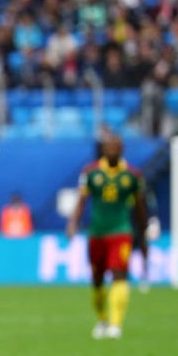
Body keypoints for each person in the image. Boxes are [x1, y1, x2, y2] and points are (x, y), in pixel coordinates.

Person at [66, 134, 146, 340]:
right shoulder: (90, 172)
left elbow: (140, 207)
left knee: (119, 274)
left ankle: (116, 324)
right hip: (97, 232)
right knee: (97, 280)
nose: (112, 149)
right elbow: (82, 200)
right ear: (103, 149)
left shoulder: (133, 175)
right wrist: (73, 223)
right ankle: (102, 319)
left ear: (122, 149)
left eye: (116, 146)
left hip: (121, 231)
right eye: (109, 146)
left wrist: (142, 231)